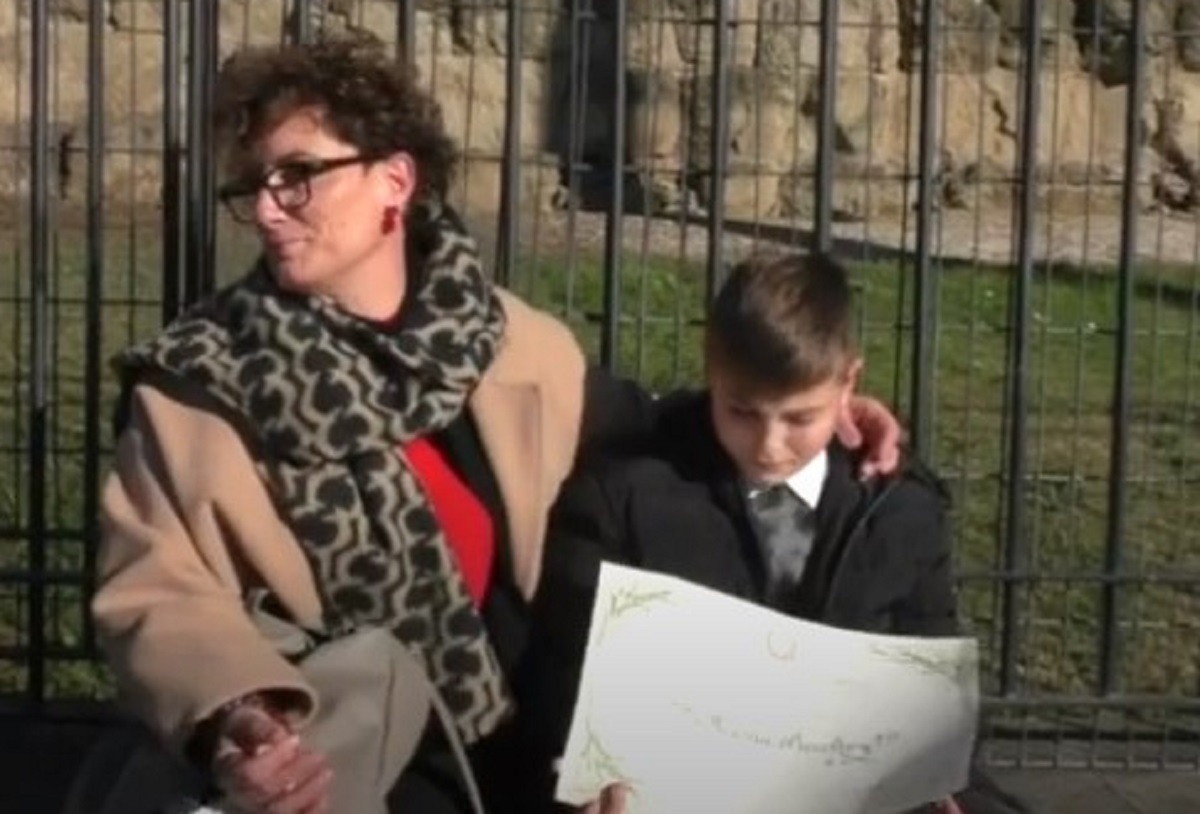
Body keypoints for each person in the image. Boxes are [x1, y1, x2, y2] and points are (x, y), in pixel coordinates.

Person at [90, 33, 904, 814]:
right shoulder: (196, 388)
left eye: (299, 175)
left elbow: (662, 431)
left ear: (394, 181)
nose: (269, 211)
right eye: (255, 186)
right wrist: (241, 714)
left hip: (534, 751)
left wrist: (821, 412)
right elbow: (156, 590)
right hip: (341, 765)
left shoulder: (509, 345)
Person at [526, 252, 1033, 813]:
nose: (769, 446)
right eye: (741, 412)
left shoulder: (898, 512)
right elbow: (568, 670)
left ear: (848, 384)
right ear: (712, 376)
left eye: (799, 419)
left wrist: (935, 780)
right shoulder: (626, 498)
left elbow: (935, 691)